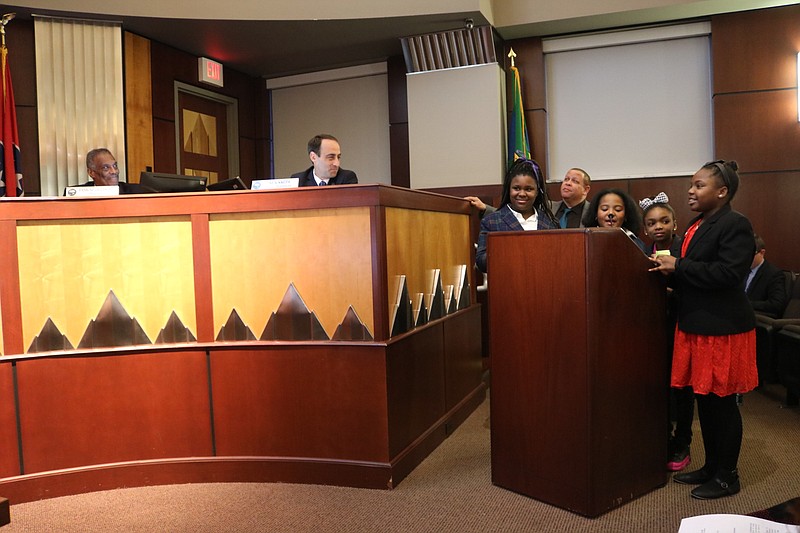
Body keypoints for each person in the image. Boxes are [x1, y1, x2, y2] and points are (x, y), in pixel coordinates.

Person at [650, 159, 757, 500]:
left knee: (722, 404)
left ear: (722, 192)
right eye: (692, 185)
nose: (691, 191)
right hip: (697, 326)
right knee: (705, 403)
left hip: (723, 329)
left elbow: (728, 274)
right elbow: (695, 272)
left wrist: (678, 265)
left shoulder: (735, 224)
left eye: (699, 185)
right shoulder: (699, 224)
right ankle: (712, 466)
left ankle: (728, 476)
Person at [641, 193, 694, 472]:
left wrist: (672, 291)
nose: (658, 227)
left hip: (681, 326)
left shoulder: (686, 252)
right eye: (652, 223)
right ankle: (660, 438)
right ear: (645, 228)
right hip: (651, 330)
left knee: (682, 387)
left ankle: (683, 440)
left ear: (675, 224)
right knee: (655, 386)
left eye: (664, 221)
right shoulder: (639, 251)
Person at [475, 158, 556, 272]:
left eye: (529, 189)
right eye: (516, 188)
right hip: (508, 285)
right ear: (509, 189)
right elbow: (481, 262)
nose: (522, 194)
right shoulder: (491, 221)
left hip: (544, 285)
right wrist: (507, 250)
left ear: (537, 192)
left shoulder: (550, 222)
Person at [582, 188, 648, 253]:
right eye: (604, 209)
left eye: (618, 210)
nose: (611, 213)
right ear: (595, 213)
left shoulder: (635, 243)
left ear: (626, 215)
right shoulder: (585, 241)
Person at [746, 233, 789, 318]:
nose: (745, 258)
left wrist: (747, 304)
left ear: (762, 253)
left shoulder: (774, 274)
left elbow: (776, 304)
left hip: (756, 319)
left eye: (750, 254)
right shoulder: (740, 270)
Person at [292, 134, 358, 186]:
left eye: (338, 157)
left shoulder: (347, 178)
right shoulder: (298, 181)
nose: (336, 164)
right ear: (313, 157)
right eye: (331, 157)